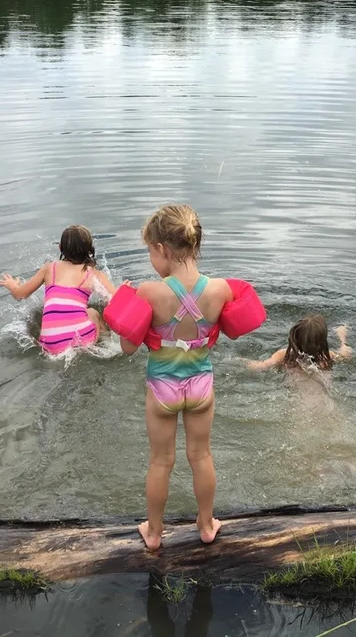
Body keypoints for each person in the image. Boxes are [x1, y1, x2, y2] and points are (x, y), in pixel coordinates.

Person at [123, 204, 233, 550]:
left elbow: (127, 347)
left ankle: (154, 532)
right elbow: (220, 335)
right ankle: (207, 524)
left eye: (150, 252)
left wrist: (124, 310)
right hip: (201, 386)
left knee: (161, 461)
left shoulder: (149, 292)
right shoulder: (220, 289)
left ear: (162, 249)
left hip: (162, 389)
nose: (151, 260)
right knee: (201, 456)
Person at [0, 225, 117, 355]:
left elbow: (20, 294)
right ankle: (108, 346)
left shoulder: (49, 268)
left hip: (49, 345)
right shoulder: (93, 274)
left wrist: (12, 285)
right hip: (81, 340)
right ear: (90, 249)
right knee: (93, 312)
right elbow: (116, 300)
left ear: (60, 248)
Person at [246, 315, 351, 372]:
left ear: (295, 337)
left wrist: (242, 361)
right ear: (322, 342)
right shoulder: (326, 357)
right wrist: (342, 338)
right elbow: (346, 354)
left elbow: (261, 366)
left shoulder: (285, 356)